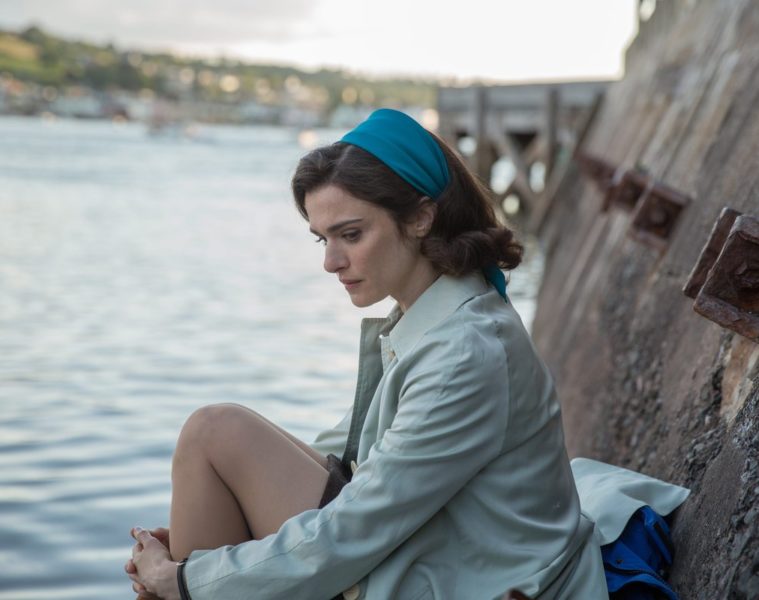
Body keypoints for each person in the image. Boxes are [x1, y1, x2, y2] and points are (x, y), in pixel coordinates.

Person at [125, 108, 609, 599]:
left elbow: (352, 530)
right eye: (323, 238)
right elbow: (354, 457)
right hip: (442, 546)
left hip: (469, 580)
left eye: (351, 235)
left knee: (213, 432)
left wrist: (183, 578)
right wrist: (211, 555)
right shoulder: (436, 316)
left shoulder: (463, 352)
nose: (331, 262)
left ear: (420, 218)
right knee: (217, 437)